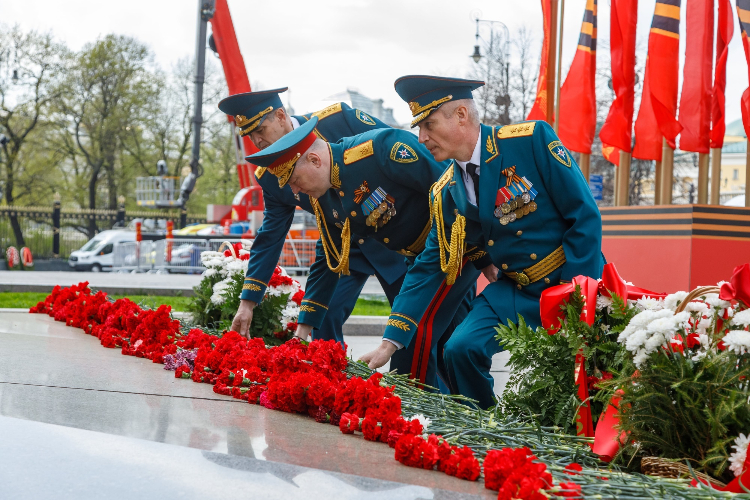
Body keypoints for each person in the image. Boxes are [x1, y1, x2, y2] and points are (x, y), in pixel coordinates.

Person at [368, 75, 604, 408]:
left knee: (588, 374)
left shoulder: (529, 140)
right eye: (419, 129)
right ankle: (487, 426)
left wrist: (575, 290)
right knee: (461, 348)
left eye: (429, 125)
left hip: (570, 280)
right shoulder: (446, 191)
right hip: (517, 289)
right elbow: (429, 267)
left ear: (461, 115)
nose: (421, 138)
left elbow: (583, 215)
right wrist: (390, 342)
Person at [246, 116, 486, 388]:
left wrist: (486, 253)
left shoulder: (382, 149)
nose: (295, 191)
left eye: (294, 180)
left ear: (315, 160)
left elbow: (455, 187)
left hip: (453, 247)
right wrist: (303, 330)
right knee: (453, 346)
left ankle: (424, 420)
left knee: (413, 337)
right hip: (417, 260)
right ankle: (475, 414)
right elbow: (328, 261)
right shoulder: (324, 195)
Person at [218, 88, 407, 346]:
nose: (256, 141)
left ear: (281, 116)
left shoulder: (338, 120)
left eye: (260, 130)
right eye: (249, 135)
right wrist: (247, 302)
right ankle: (333, 382)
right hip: (343, 249)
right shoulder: (269, 177)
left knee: (415, 330)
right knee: (323, 322)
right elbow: (271, 237)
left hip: (394, 236)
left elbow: (401, 153)